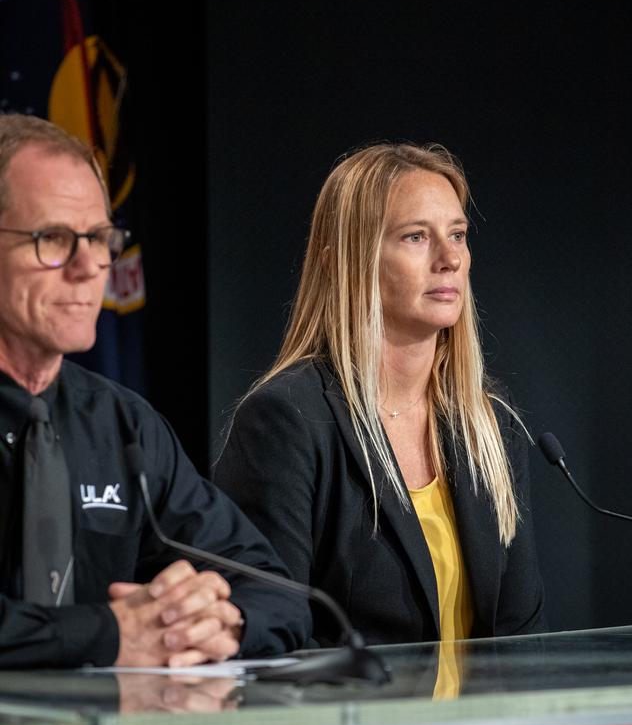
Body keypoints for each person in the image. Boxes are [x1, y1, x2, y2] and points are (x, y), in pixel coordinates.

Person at [0, 113, 310, 669]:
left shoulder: (121, 424)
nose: (88, 266)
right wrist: (109, 635)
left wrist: (219, 622)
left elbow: (277, 591)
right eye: (53, 238)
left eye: (98, 238)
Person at [214, 142, 546, 659]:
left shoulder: (490, 428)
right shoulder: (288, 421)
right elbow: (269, 636)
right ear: (344, 263)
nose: (450, 258)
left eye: (457, 234)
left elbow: (523, 633)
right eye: (416, 237)